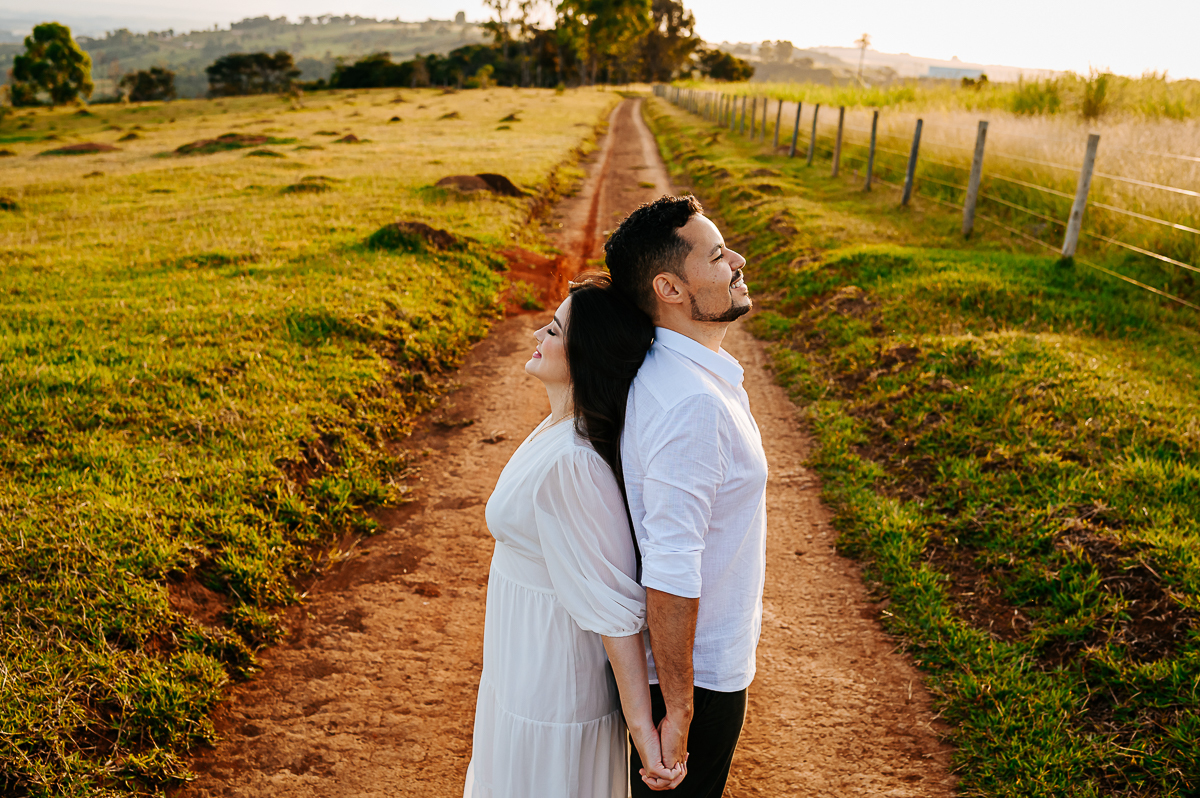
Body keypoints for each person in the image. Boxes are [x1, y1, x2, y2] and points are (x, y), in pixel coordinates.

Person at [463, 274, 687, 798]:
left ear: (587, 355)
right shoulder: (557, 429)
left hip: (552, 681)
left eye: (556, 330)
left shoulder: (574, 462)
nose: (538, 332)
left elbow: (616, 613)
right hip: (521, 662)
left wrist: (644, 737)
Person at [604, 195, 769, 798]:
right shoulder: (692, 403)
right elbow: (671, 567)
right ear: (670, 288)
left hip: (687, 669)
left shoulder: (683, 374)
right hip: (693, 678)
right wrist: (679, 710)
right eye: (720, 255)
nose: (739, 261)